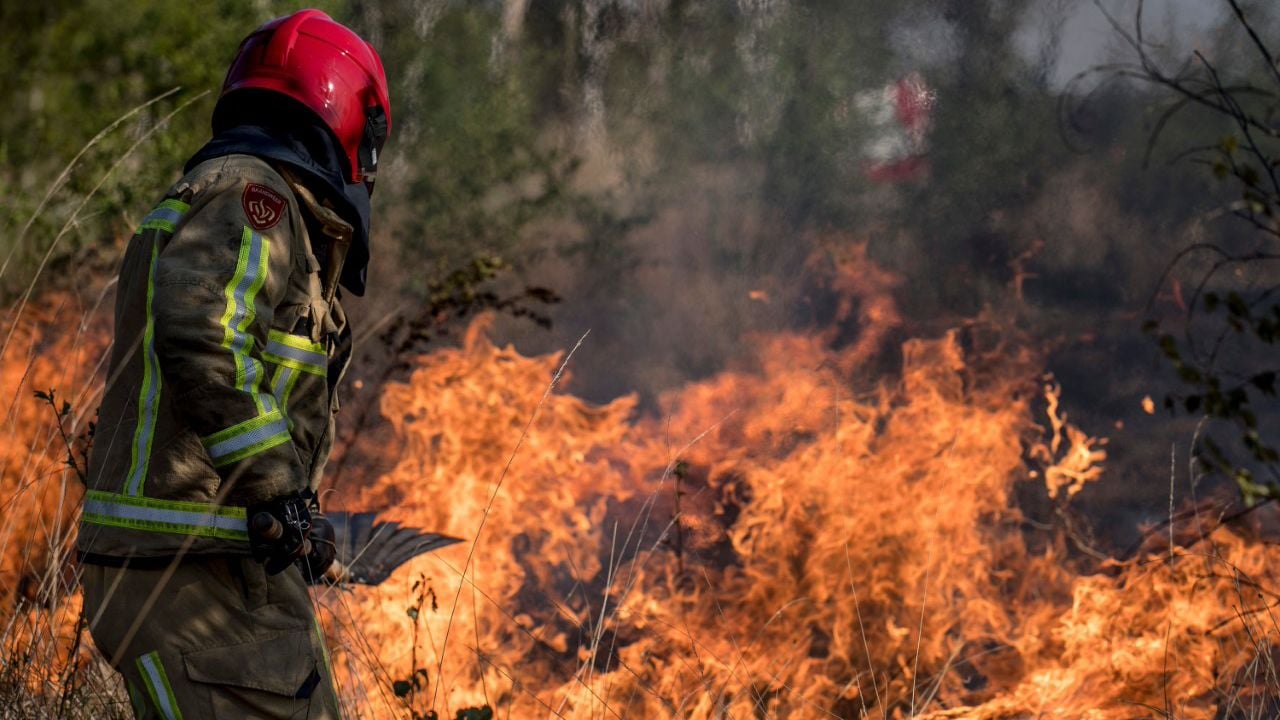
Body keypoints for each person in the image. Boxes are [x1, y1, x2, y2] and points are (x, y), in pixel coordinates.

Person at [76, 9, 390, 718]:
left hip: (212, 559)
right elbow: (204, 329)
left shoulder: (245, 198)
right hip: (192, 567)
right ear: (345, 120)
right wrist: (278, 487)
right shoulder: (254, 199)